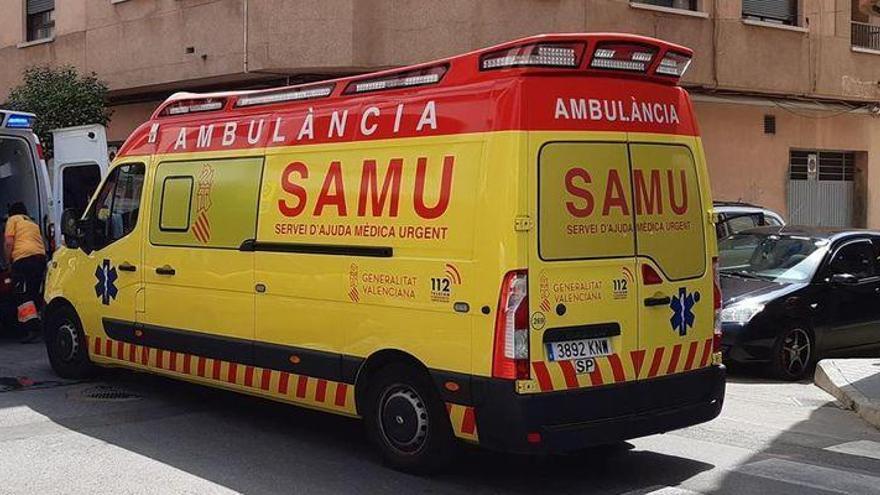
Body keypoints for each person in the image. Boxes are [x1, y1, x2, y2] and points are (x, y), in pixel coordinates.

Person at [4, 203, 46, 343]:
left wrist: (8, 262)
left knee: (21, 295)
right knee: (33, 293)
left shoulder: (13, 220)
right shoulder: (32, 223)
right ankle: (33, 326)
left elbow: (9, 242)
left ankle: (33, 328)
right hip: (39, 259)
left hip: (23, 260)